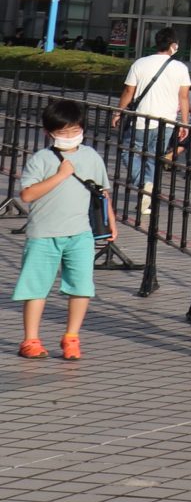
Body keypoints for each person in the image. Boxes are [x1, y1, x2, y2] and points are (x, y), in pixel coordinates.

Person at [16, 99, 112, 359]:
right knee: (36, 287)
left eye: (74, 130)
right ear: (48, 133)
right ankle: (31, 340)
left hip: (80, 233)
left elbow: (101, 192)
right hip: (43, 234)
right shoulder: (41, 159)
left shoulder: (91, 156)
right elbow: (26, 195)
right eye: (62, 132)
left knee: (81, 286)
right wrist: (60, 175)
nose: (69, 136)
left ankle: (72, 337)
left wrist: (110, 223)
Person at [112, 27, 191, 201]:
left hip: (142, 119)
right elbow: (184, 97)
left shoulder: (140, 63)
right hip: (167, 123)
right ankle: (147, 190)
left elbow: (128, 91)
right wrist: (185, 122)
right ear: (173, 45)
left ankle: (143, 185)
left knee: (129, 151)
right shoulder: (181, 68)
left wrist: (118, 112)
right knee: (154, 158)